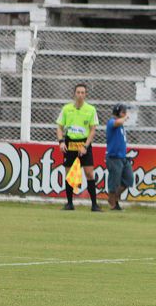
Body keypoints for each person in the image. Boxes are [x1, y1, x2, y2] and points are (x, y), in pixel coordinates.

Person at [57, 84, 101, 212]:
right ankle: (69, 203)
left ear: (85, 94)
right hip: (70, 142)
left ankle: (94, 204)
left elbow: (93, 130)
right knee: (69, 173)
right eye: (78, 92)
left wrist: (85, 146)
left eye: (83, 92)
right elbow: (59, 127)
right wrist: (61, 142)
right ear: (74, 94)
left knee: (89, 173)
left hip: (84, 143)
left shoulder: (91, 110)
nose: (80, 95)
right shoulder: (66, 109)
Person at [106, 103, 133, 210]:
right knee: (114, 182)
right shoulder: (111, 122)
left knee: (128, 180)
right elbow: (117, 122)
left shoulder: (121, 125)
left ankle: (113, 198)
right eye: (123, 112)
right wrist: (125, 117)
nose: (125, 114)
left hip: (122, 157)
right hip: (114, 157)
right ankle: (113, 204)